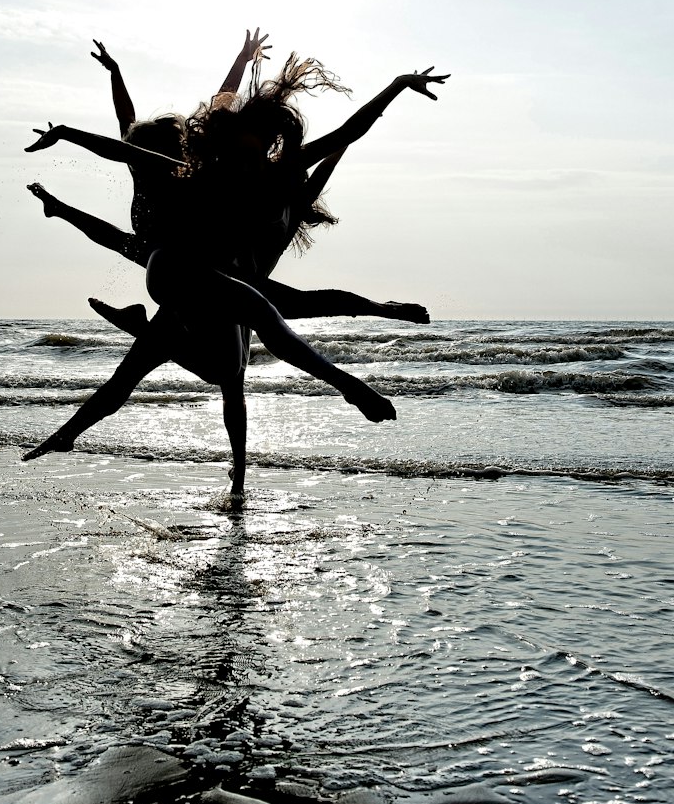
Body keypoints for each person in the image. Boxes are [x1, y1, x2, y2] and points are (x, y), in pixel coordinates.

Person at [22, 49, 448, 482]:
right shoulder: (199, 170)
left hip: (197, 283)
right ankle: (350, 387)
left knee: (139, 373)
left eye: (260, 144)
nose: (251, 153)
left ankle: (67, 434)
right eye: (244, 141)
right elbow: (122, 147)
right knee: (262, 311)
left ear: (269, 143)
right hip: (175, 268)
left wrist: (395, 86)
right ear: (229, 139)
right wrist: (67, 134)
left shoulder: (279, 173)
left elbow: (349, 131)